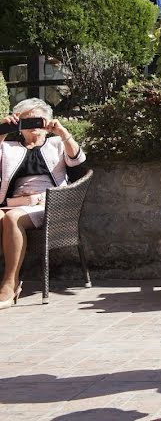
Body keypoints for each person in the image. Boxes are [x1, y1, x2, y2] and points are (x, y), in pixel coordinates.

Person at [0, 99, 86, 310]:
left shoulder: (57, 144)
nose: (34, 126)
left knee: (11, 217)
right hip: (14, 203)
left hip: (47, 204)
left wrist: (63, 134)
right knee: (5, 217)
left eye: (38, 120)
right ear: (18, 126)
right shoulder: (8, 147)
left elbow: (78, 163)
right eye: (27, 121)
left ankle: (10, 284)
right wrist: (1, 131)